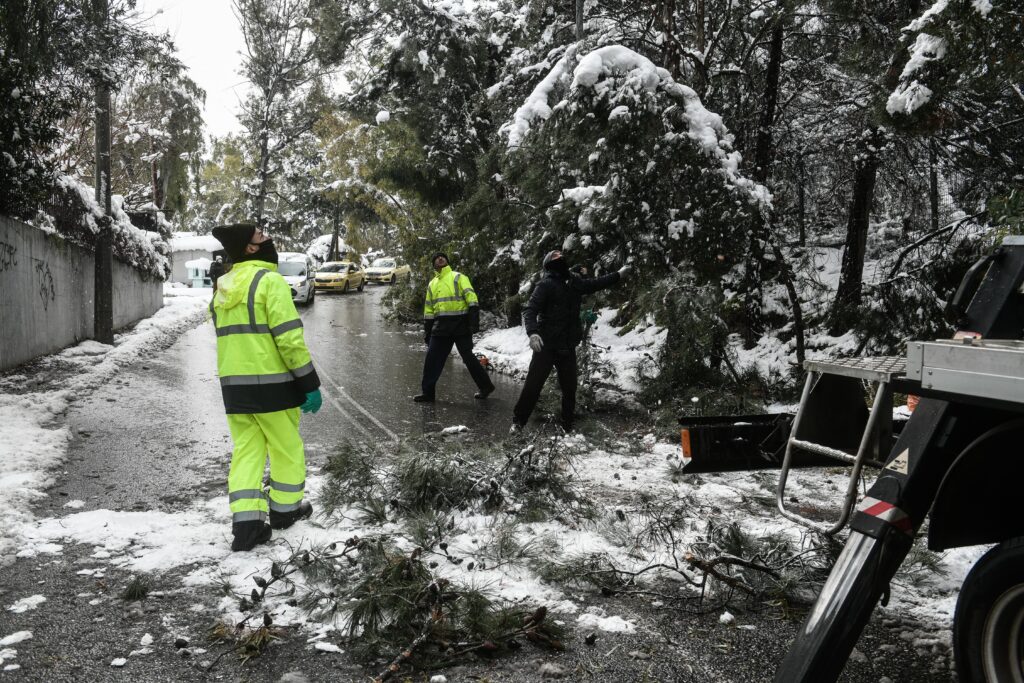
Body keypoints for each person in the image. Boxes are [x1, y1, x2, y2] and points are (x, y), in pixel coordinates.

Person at [210, 223, 322, 552]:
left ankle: (247, 527)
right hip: (274, 387)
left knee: (247, 452)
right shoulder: (269, 282)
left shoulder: (223, 287)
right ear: (250, 248)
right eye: (261, 237)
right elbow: (289, 339)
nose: (268, 239)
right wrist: (309, 383)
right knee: (286, 449)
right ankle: (285, 512)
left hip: (235, 389)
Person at [511, 250, 630, 432]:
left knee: (569, 389)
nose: (560, 259)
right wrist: (533, 333)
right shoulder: (545, 285)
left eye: (562, 258)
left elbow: (596, 283)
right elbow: (530, 310)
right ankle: (518, 423)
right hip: (546, 345)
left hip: (567, 345)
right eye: (556, 257)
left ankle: (567, 427)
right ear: (549, 264)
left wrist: (618, 275)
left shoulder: (575, 283)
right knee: (533, 386)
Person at [415, 252, 495, 402]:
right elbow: (429, 310)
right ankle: (428, 393)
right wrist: (428, 331)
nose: (440, 258)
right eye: (437, 258)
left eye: (442, 257)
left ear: (447, 261)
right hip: (441, 327)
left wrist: (473, 322)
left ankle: (486, 387)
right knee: (432, 359)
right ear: (434, 265)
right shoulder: (432, 284)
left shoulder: (459, 277)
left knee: (468, 357)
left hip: (461, 324)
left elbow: (472, 299)